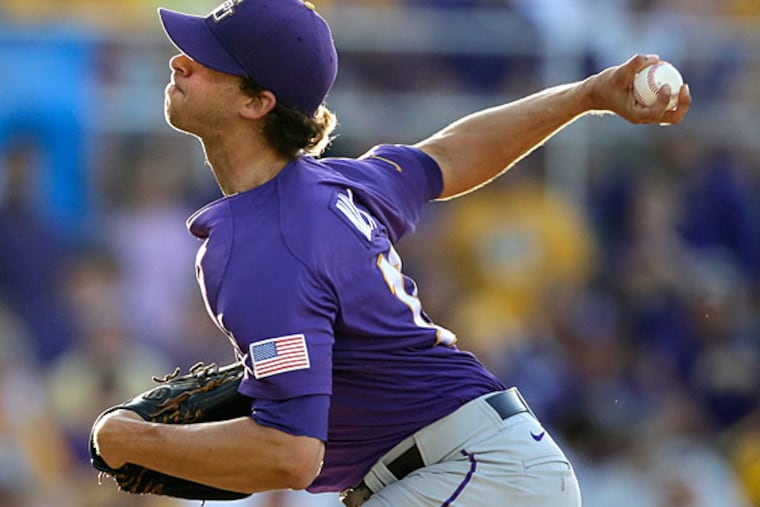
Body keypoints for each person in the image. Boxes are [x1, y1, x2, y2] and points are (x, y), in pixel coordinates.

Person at [91, 0, 691, 506]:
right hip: (479, 470)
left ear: (256, 103)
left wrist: (127, 439)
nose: (180, 60)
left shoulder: (265, 244)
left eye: (208, 60)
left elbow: (290, 455)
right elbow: (450, 156)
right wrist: (586, 93)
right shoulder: (338, 187)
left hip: (469, 476)